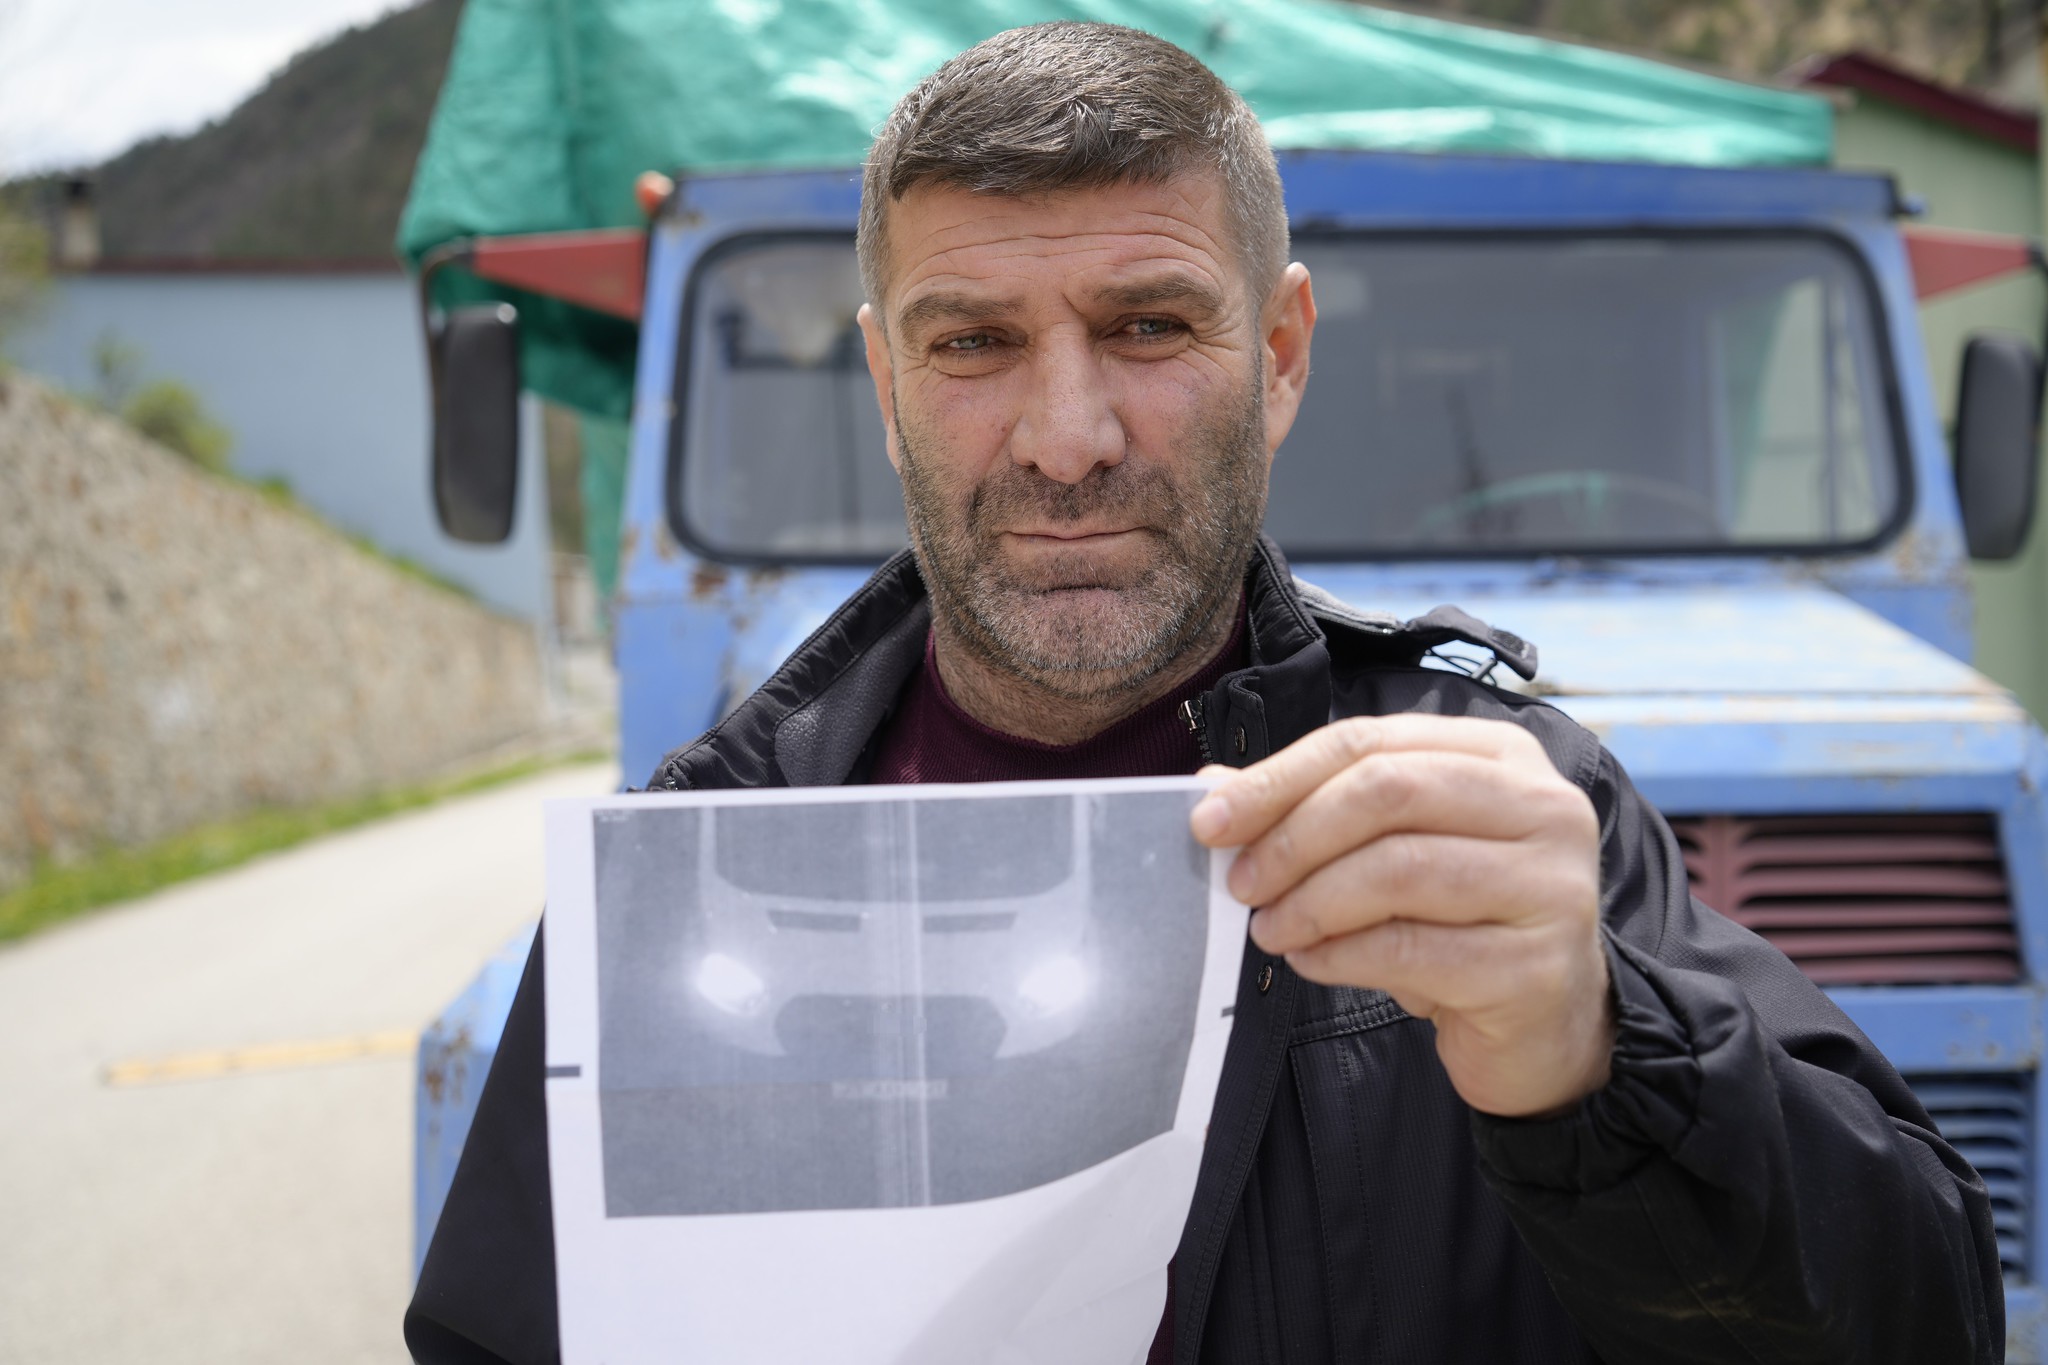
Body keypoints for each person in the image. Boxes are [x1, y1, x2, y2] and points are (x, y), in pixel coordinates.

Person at [407, 22, 2001, 1364]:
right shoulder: (689, 868)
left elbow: (1926, 1322)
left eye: (1150, 326)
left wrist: (1602, 1051)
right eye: (973, 344)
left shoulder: (1501, 805)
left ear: (1283, 353)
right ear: (886, 385)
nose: (1068, 438)